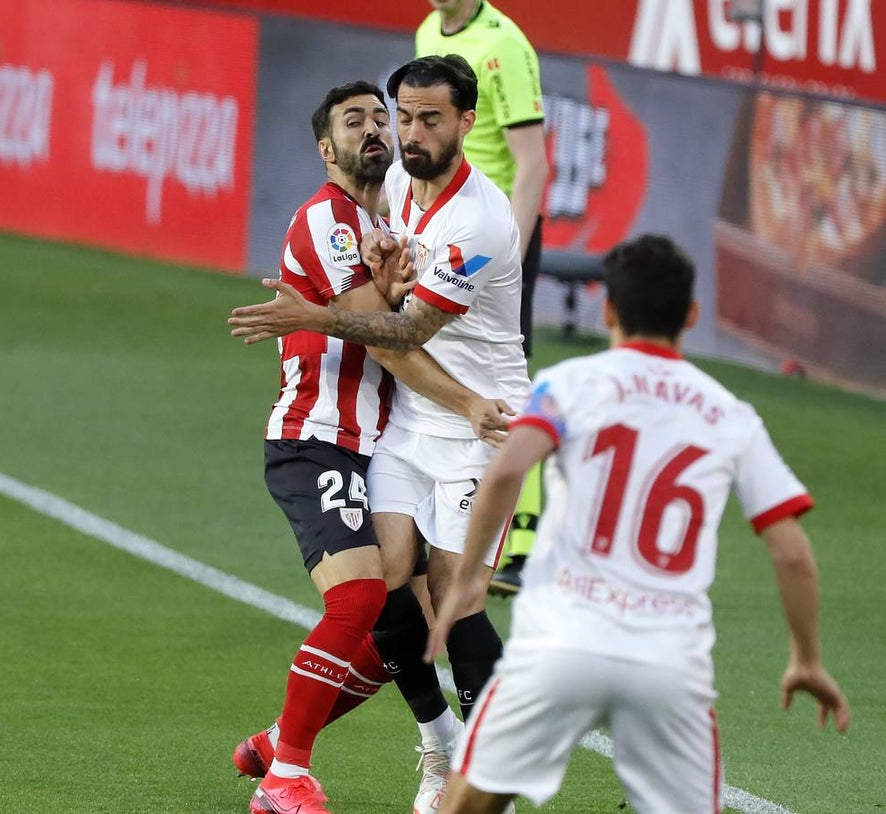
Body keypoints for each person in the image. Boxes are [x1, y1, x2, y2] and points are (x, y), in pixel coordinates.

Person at [425, 234, 852, 813]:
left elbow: (505, 474)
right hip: (668, 662)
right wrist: (806, 658)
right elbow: (793, 554)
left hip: (560, 643)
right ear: (692, 315)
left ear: (608, 311)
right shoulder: (730, 415)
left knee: (468, 804)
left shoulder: (569, 383)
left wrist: (466, 584)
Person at [230, 54, 529, 813]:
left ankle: (475, 776)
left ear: (467, 123)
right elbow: (388, 312)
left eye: (428, 118)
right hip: (391, 428)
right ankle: (425, 750)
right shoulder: (385, 190)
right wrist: (379, 277)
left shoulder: (479, 219)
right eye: (401, 116)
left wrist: (325, 310)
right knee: (384, 586)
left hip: (479, 425)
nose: (406, 132)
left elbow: (402, 332)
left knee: (448, 602)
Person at [417, 0, 551, 595]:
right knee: (441, 365)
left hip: (496, 242)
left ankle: (521, 537)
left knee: (506, 377)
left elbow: (533, 167)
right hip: (446, 234)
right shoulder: (429, 29)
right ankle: (441, 511)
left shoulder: (507, 46)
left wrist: (508, 260)